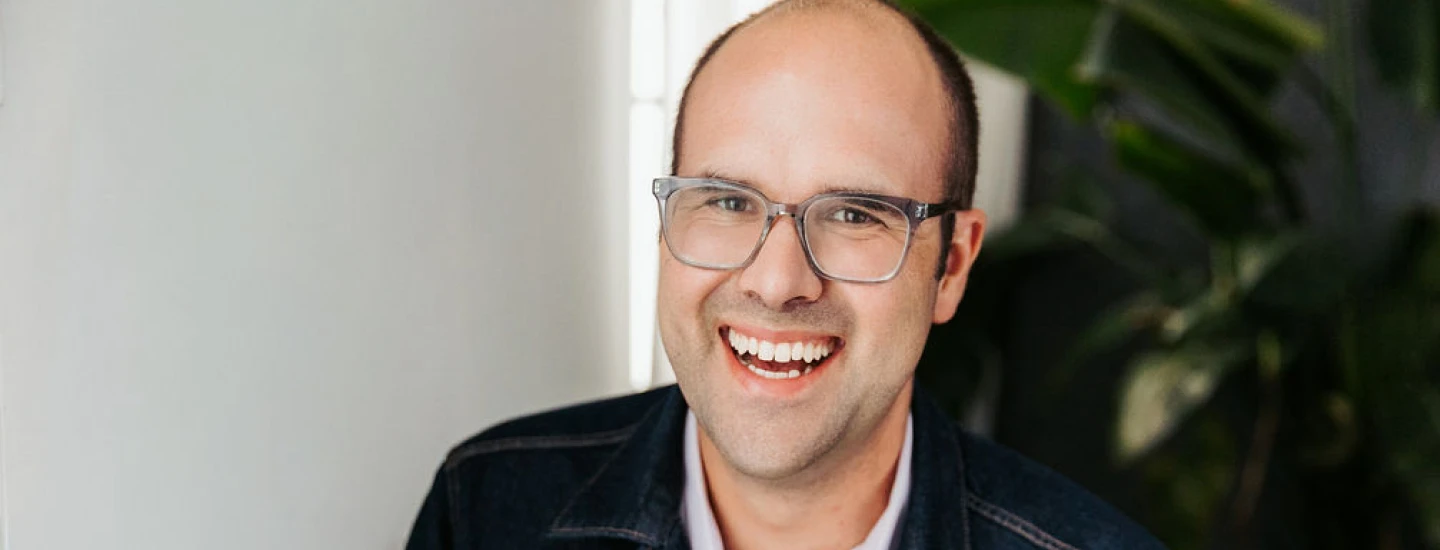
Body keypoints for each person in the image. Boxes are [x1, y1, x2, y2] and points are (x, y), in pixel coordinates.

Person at [405, 1, 1166, 548]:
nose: (776, 283)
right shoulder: (485, 509)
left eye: (856, 213)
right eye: (729, 200)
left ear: (952, 267)